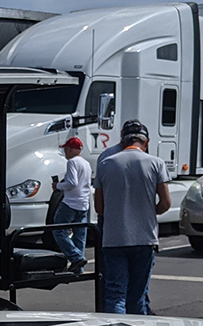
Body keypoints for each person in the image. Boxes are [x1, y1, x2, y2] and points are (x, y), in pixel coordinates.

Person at [95, 123, 171, 314]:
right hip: (144, 237)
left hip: (114, 238)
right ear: (146, 142)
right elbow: (165, 203)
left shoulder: (106, 163)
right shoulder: (156, 163)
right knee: (137, 296)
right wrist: (148, 212)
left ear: (122, 139)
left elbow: (99, 207)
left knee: (115, 293)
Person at [51, 136, 91, 273]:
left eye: (67, 149)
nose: (66, 152)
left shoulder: (72, 163)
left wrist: (58, 186)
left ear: (72, 150)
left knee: (58, 230)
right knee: (80, 235)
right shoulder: (86, 163)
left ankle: (76, 257)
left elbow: (72, 183)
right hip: (84, 203)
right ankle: (78, 268)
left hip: (70, 202)